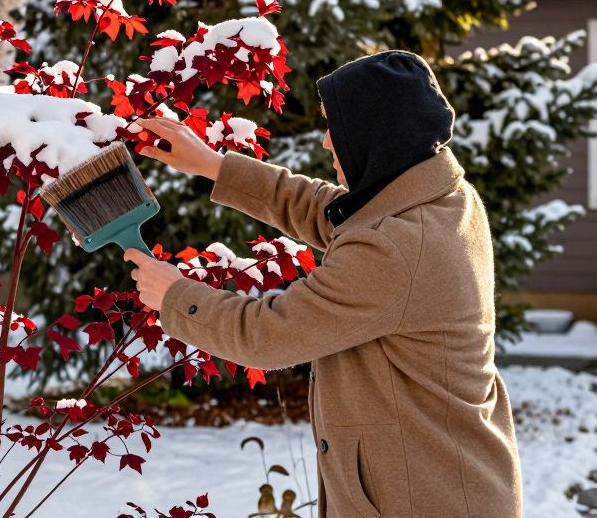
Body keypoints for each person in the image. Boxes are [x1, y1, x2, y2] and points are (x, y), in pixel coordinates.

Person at [124, 51, 522, 518]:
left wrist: (175, 296)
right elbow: (331, 210)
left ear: (376, 135)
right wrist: (216, 166)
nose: (328, 143)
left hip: (423, 500)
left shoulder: (395, 248)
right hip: (447, 481)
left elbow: (269, 334)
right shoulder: (439, 198)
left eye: (338, 127)